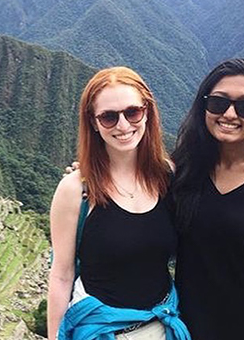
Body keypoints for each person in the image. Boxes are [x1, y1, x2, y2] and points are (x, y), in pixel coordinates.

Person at [47, 66, 190, 340]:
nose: (123, 126)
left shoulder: (167, 177)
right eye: (109, 117)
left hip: (164, 326)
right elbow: (61, 275)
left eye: (132, 112)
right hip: (103, 332)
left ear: (147, 111)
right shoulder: (75, 190)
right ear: (93, 122)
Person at [172, 58, 244, 340]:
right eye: (219, 103)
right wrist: (83, 176)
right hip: (188, 332)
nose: (230, 114)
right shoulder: (181, 173)